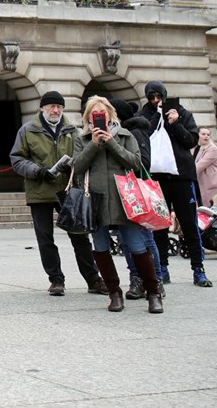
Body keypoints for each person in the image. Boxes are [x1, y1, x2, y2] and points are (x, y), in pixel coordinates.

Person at [9, 90, 105, 296]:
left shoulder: (73, 130)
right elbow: (16, 159)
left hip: (68, 190)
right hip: (39, 190)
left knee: (79, 235)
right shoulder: (27, 130)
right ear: (42, 108)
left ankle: (93, 279)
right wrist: (38, 171)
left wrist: (72, 165)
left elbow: (82, 155)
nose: (56, 110)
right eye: (52, 106)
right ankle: (56, 279)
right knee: (45, 238)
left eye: (59, 107)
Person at [72, 97, 163, 314]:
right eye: (95, 113)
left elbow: (135, 162)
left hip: (126, 199)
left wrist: (110, 142)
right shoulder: (82, 139)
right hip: (95, 199)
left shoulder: (125, 135)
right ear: (88, 117)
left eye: (103, 112)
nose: (99, 116)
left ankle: (153, 292)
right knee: (101, 247)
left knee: (137, 246)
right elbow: (76, 166)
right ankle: (114, 293)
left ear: (110, 114)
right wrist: (94, 144)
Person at [137, 81, 212, 287]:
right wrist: (156, 117)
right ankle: (162, 268)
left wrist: (176, 122)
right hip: (157, 178)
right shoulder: (144, 115)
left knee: (189, 223)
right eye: (151, 97)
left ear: (165, 95)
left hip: (181, 177)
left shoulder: (182, 113)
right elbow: (143, 137)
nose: (156, 101)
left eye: (159, 96)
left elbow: (190, 141)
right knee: (159, 225)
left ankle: (198, 269)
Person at [108, 98, 163, 301]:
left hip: (136, 192)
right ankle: (138, 279)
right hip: (125, 193)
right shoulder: (118, 132)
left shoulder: (135, 132)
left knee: (145, 240)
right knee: (130, 240)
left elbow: (143, 162)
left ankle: (154, 280)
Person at [196, 128, 217, 207]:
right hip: (201, 185)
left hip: (211, 186)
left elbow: (199, 166)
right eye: (203, 134)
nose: (206, 136)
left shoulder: (213, 149)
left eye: (208, 135)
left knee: (211, 212)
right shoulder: (199, 148)